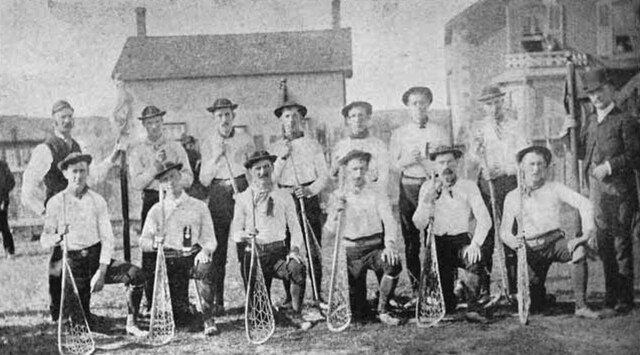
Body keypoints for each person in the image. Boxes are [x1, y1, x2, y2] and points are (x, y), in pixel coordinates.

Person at [21, 100, 123, 321]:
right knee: (59, 258)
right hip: (58, 211)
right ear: (53, 120)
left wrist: (112, 158)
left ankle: (79, 311)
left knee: (79, 259)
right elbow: (28, 188)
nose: (67, 120)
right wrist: (44, 212)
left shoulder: (77, 146)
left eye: (70, 116)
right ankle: (57, 313)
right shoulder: (46, 149)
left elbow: (92, 176)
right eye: (62, 117)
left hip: (79, 209)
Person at [562, 68, 640, 317]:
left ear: (610, 89)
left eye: (599, 91)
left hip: (620, 192)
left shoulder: (625, 120)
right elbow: (581, 152)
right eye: (591, 93)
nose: (596, 97)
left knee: (620, 244)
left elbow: (635, 156)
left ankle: (624, 299)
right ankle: (610, 297)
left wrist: (609, 166)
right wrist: (567, 134)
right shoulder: (591, 121)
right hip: (597, 194)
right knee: (604, 244)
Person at [40, 152, 146, 335]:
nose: (78, 176)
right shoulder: (56, 203)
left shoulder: (97, 201)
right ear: (65, 173)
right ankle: (85, 319)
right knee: (80, 325)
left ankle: (132, 322)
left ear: (87, 172)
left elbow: (107, 238)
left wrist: (102, 271)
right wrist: (58, 236)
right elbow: (44, 239)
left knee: (135, 275)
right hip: (73, 263)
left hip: (96, 258)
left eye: (82, 171)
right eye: (74, 171)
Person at [500, 146, 601, 318]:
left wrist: (586, 234)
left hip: (555, 243)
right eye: (531, 164)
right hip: (531, 250)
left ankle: (581, 306)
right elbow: (504, 231)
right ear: (522, 168)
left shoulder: (555, 188)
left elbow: (585, 204)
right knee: (535, 307)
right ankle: (542, 297)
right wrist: (514, 242)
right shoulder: (513, 196)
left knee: (579, 251)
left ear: (546, 167)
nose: (536, 169)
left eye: (540, 164)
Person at [229, 150, 311, 330]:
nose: (262, 172)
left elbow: (295, 228)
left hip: (279, 254)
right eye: (257, 168)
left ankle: (296, 313)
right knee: (260, 318)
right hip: (255, 257)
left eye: (266, 167)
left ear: (273, 168)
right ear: (250, 172)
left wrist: (295, 250)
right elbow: (235, 233)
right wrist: (246, 234)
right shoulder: (243, 198)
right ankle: (268, 310)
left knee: (297, 268)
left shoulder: (284, 196)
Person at [139, 161, 219, 335]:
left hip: (192, 256)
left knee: (205, 269)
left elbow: (210, 239)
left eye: (173, 176)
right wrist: (155, 243)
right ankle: (181, 310)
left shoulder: (198, 206)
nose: (170, 182)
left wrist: (205, 251)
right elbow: (143, 242)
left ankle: (208, 318)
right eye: (165, 179)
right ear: (160, 184)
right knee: (180, 319)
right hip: (169, 261)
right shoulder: (156, 210)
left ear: (181, 177)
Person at [412, 145, 491, 321]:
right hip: (437, 245)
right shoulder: (427, 187)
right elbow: (418, 223)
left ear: (457, 163)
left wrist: (475, 243)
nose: (446, 166)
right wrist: (427, 202)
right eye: (441, 162)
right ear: (434, 166)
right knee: (447, 307)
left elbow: (485, 220)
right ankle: (456, 290)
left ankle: (472, 306)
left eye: (450, 162)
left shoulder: (468, 187)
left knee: (474, 258)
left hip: (461, 242)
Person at [324, 150, 402, 325]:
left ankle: (383, 309)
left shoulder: (376, 193)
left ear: (367, 169)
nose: (358, 174)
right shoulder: (338, 196)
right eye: (354, 169)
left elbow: (390, 221)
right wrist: (334, 214)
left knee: (393, 263)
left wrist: (389, 244)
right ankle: (362, 304)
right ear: (345, 171)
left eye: (362, 169)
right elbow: (328, 233)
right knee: (358, 313)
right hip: (351, 252)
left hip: (375, 247)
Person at [129, 105, 193, 312]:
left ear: (162, 123)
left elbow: (189, 178)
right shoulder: (138, 150)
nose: (154, 126)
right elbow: (137, 183)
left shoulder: (176, 148)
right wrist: (155, 168)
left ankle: (180, 301)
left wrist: (173, 180)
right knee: (151, 250)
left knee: (177, 248)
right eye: (150, 123)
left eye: (157, 121)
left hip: (174, 198)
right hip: (151, 201)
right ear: (144, 125)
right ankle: (151, 302)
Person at [389, 86, 450, 298]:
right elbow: (394, 164)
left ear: (429, 104)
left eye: (423, 102)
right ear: (407, 106)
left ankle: (438, 285)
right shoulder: (400, 133)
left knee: (436, 237)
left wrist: (430, 165)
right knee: (412, 240)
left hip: (432, 186)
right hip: (408, 187)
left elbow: (447, 163)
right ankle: (417, 288)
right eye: (414, 103)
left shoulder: (439, 131)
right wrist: (408, 160)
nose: (419, 107)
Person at [469, 85, 528, 300]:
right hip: (487, 185)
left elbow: (522, 156)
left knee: (509, 232)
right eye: (488, 104)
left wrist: (503, 169)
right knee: (486, 235)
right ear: (483, 107)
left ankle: (513, 288)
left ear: (502, 102)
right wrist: (478, 153)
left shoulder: (515, 126)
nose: (493, 107)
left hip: (509, 183)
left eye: (496, 102)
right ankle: (484, 289)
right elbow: (473, 157)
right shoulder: (479, 128)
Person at [269, 99, 328, 305]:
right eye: (287, 116)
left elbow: (324, 176)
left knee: (312, 246)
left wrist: (310, 190)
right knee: (287, 246)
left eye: (295, 115)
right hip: (285, 199)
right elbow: (271, 180)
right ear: (281, 121)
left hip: (307, 196)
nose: (291, 120)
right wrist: (282, 158)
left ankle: (318, 294)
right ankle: (290, 296)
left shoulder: (312, 144)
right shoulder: (276, 147)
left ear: (302, 119)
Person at [199, 98, 255, 314]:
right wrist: (216, 156)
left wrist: (249, 195)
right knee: (218, 249)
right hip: (218, 192)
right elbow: (204, 179)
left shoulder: (245, 140)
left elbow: (252, 172)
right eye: (219, 116)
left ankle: (253, 298)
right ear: (214, 119)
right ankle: (217, 302)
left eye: (227, 115)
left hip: (240, 188)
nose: (224, 119)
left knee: (245, 246)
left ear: (234, 116)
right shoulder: (208, 142)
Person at [331, 101, 390, 196]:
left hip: (371, 197)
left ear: (368, 118)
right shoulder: (341, 146)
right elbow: (334, 176)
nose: (358, 119)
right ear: (348, 120)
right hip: (348, 197)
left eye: (361, 115)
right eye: (353, 116)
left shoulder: (379, 145)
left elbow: (384, 176)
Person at [181, 134, 208, 201]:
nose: (190, 146)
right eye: (188, 144)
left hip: (200, 185)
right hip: (191, 186)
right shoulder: (186, 156)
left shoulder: (198, 154)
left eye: (192, 144)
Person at [0, 159, 15, 258]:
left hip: (1, 199)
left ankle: (9, 250)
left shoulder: (2, 166)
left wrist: (3, 196)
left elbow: (11, 182)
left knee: (3, 225)